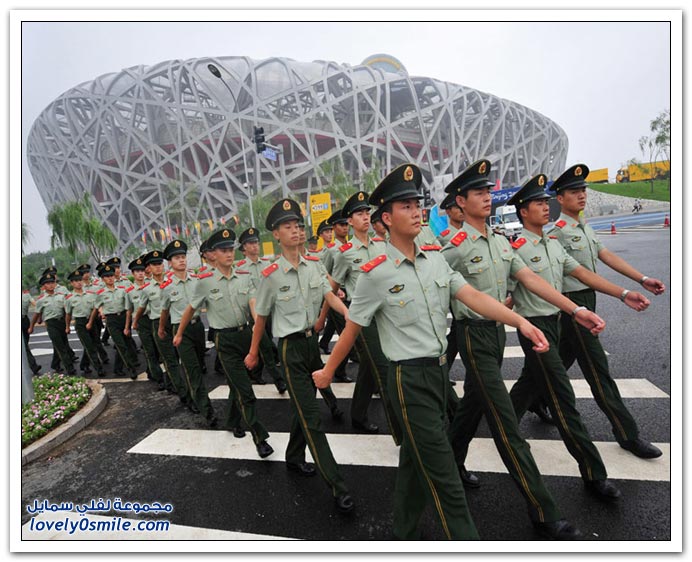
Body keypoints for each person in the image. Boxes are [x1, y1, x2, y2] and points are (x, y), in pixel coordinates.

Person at [312, 163, 565, 540]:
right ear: (386, 218)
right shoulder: (375, 273)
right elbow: (353, 327)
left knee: (416, 459)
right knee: (445, 478)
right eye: (406, 206)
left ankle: (403, 532)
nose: (417, 212)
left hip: (438, 374)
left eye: (418, 204)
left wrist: (521, 323)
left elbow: (473, 296)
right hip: (408, 380)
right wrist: (328, 371)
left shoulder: (435, 259)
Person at [441, 159, 587, 539]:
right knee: (505, 421)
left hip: (496, 333)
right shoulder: (454, 248)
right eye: (478, 192)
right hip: (472, 335)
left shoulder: (499, 241)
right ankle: (543, 509)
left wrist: (574, 309)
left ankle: (450, 463)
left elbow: (529, 278)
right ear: (461, 201)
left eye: (488, 191)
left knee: (472, 405)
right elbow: (435, 288)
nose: (487, 197)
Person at [506, 174, 652, 501]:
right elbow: (516, 288)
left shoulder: (552, 245)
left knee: (535, 380)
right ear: (523, 211)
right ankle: (594, 471)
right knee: (566, 397)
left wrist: (625, 292)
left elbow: (583, 272)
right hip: (537, 327)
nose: (546, 206)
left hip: (562, 317)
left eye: (546, 201)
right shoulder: (517, 248)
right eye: (539, 203)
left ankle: (506, 422)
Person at [547, 163, 665, 459]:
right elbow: (577, 275)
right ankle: (627, 434)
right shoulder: (557, 234)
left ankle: (531, 399)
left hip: (587, 300)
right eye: (574, 191)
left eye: (583, 190)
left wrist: (641, 278)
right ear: (560, 198)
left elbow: (606, 255)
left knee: (556, 362)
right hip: (573, 304)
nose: (582, 195)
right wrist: (623, 293)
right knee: (598, 370)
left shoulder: (583, 226)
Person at [244, 197, 354, 514]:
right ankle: (338, 486)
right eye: (288, 227)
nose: (296, 231)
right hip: (290, 349)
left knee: (303, 409)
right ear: (276, 235)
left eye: (298, 225)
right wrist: (254, 352)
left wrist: (347, 312)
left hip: (310, 345)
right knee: (312, 418)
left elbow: (329, 294)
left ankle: (293, 457)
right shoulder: (271, 275)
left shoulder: (314, 265)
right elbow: (261, 318)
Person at [175, 228, 274, 458]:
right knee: (246, 391)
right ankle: (260, 438)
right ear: (213, 254)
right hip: (225, 340)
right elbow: (191, 308)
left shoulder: (244, 275)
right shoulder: (204, 281)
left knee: (237, 384)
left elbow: (252, 302)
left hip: (245, 334)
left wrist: (256, 324)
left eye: (231, 249)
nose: (229, 254)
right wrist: (179, 333)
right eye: (223, 250)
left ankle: (232, 420)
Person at [330, 190, 402, 442]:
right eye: (359, 214)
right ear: (349, 221)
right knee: (383, 369)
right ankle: (402, 433)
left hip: (384, 314)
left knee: (370, 369)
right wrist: (330, 313)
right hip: (361, 318)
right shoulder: (345, 252)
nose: (365, 217)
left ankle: (358, 415)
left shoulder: (382, 245)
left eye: (366, 213)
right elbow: (332, 286)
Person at [160, 239, 218, 427]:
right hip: (180, 331)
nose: (181, 260)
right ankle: (207, 410)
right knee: (192, 370)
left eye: (183, 257)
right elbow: (164, 311)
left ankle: (195, 396)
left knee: (199, 365)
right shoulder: (167, 286)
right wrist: (161, 329)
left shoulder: (197, 280)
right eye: (177, 258)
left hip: (197, 327)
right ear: (170, 262)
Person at [235, 227, 286, 393]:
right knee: (266, 347)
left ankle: (255, 373)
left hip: (269, 311)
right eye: (251, 243)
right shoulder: (240, 268)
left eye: (256, 242)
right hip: (254, 314)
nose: (255, 245)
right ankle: (279, 381)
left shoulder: (266, 263)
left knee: (265, 342)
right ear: (244, 247)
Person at [133, 250, 189, 400]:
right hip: (158, 324)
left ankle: (171, 382)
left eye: (160, 264)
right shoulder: (146, 289)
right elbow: (141, 308)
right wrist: (135, 322)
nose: (158, 267)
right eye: (154, 265)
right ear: (149, 268)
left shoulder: (172, 282)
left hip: (174, 321)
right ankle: (182, 392)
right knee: (169, 358)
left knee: (177, 356)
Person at [89, 264, 139, 379]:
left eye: (111, 275)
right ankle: (131, 369)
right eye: (107, 276)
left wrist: (129, 322)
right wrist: (90, 322)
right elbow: (96, 308)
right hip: (112, 320)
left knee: (127, 343)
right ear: (103, 279)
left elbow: (128, 307)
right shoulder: (101, 293)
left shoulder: (122, 290)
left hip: (123, 318)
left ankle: (117, 368)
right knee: (121, 345)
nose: (110, 278)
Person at [127, 257, 165, 388]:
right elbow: (129, 310)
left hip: (153, 319)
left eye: (142, 271)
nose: (140, 273)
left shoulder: (151, 285)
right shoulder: (130, 291)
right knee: (150, 351)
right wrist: (129, 325)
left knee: (158, 349)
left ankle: (150, 370)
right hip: (142, 322)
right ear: (133, 274)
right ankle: (159, 379)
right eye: (137, 271)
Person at [28, 274, 76, 376]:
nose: (50, 285)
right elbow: (36, 314)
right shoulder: (41, 299)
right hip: (51, 324)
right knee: (60, 346)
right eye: (47, 283)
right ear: (43, 286)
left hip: (61, 322)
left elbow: (66, 311)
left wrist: (67, 325)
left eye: (52, 283)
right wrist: (31, 326)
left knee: (64, 343)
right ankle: (70, 368)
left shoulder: (61, 296)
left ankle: (55, 364)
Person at [64, 269, 105, 378]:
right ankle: (99, 368)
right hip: (80, 323)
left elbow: (95, 308)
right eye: (76, 281)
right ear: (71, 283)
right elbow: (68, 314)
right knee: (89, 346)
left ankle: (84, 364)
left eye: (80, 280)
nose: (79, 282)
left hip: (92, 320)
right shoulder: (69, 298)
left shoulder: (90, 294)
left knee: (94, 344)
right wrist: (67, 327)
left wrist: (92, 321)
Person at [22, 288, 41, 375]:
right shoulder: (26, 296)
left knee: (24, 345)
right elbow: (35, 305)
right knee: (24, 344)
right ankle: (33, 366)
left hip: (23, 321)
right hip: (25, 320)